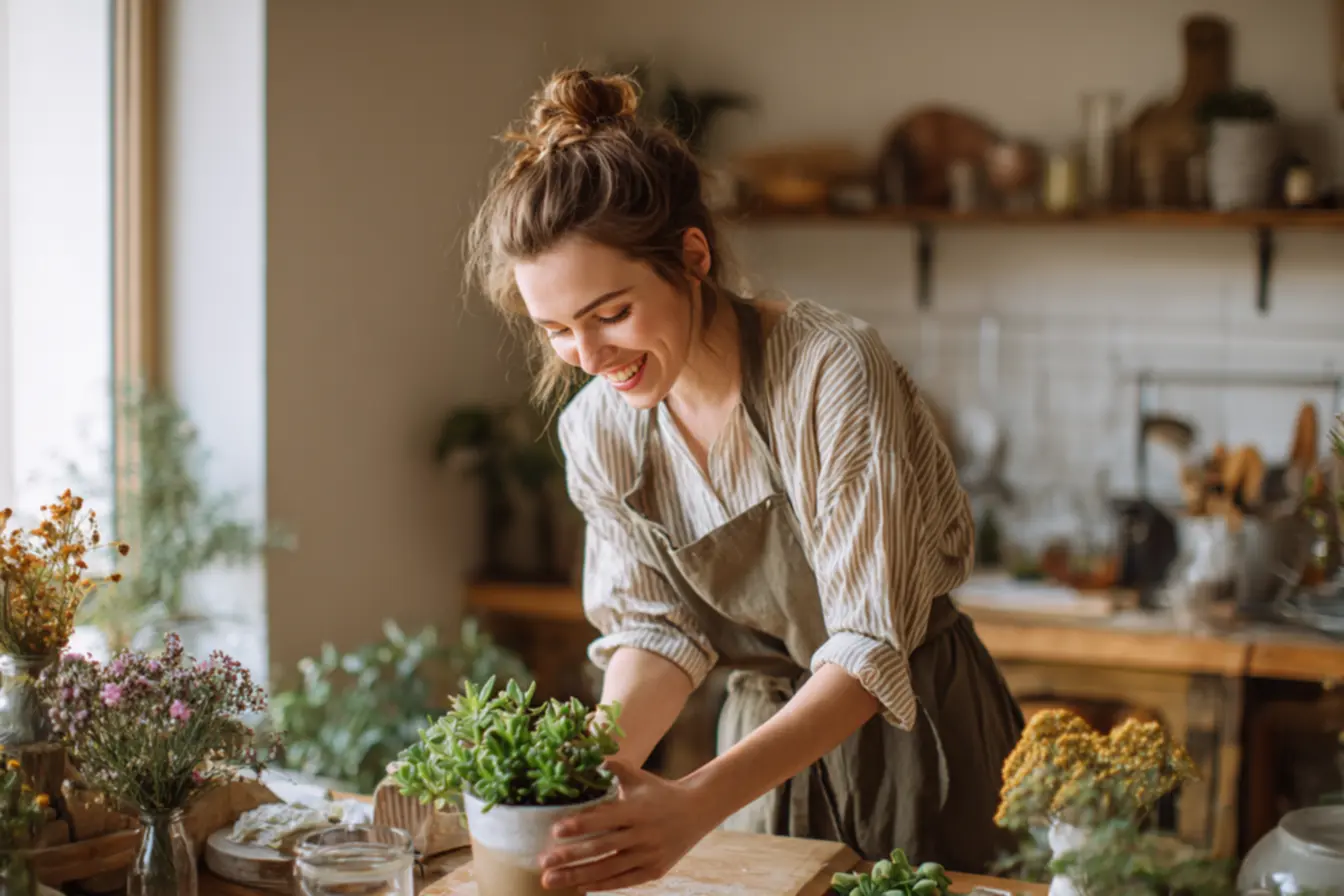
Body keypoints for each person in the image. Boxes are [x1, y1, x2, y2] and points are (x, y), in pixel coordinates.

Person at [464, 67, 1026, 892]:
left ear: (692, 257)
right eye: (557, 330)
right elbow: (658, 630)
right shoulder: (602, 430)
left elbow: (870, 647)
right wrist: (583, 780)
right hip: (764, 757)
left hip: (919, 741)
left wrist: (691, 804)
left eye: (611, 313)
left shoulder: (830, 372)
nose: (588, 358)